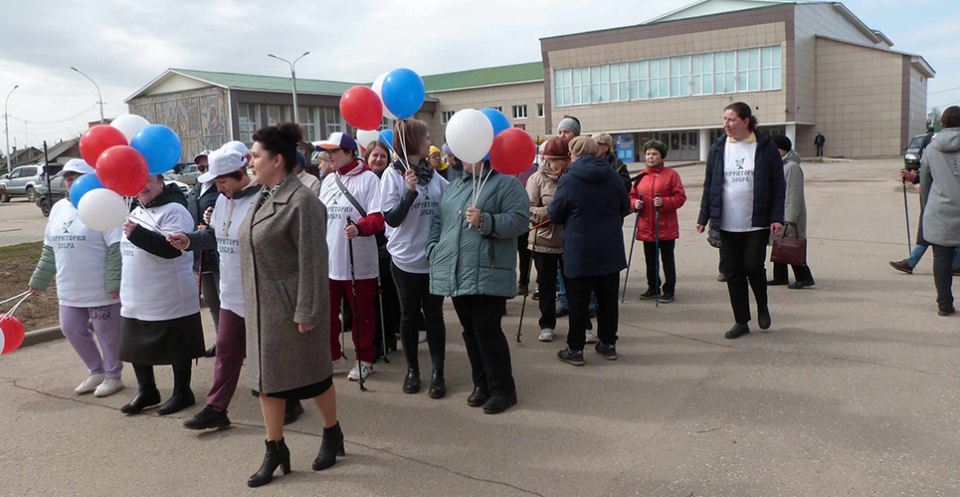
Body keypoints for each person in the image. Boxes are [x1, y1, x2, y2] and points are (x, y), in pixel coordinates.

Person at [171, 146, 306, 431]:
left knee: (271, 354)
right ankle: (216, 409)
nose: (218, 188)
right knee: (227, 352)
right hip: (231, 293)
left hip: (263, 294)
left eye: (222, 181)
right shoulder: (222, 201)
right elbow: (216, 236)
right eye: (215, 182)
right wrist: (190, 240)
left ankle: (291, 401)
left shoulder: (265, 199)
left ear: (240, 173)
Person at [239, 123, 343, 487]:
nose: (250, 161)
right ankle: (275, 448)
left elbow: (313, 261)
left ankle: (332, 431)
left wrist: (308, 311)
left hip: (292, 309)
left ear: (277, 160)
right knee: (267, 383)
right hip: (262, 308)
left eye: (256, 155)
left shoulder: (303, 202)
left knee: (314, 378)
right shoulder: (262, 196)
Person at [426, 159, 528, 414]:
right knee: (470, 331)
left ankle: (503, 390)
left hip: (488, 269)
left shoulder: (507, 183)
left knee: (487, 330)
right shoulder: (454, 186)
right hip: (456, 269)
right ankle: (481, 384)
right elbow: (439, 220)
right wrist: (433, 248)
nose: (464, 159)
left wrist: (486, 220)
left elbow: (519, 221)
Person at [27, 159, 124, 397]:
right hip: (69, 287)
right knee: (70, 328)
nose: (70, 182)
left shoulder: (105, 205)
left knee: (108, 335)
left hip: (101, 289)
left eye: (76, 177)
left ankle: (113, 376)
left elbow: (115, 248)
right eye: (68, 178)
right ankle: (97, 370)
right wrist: (39, 280)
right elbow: (50, 248)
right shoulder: (59, 208)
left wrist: (114, 282)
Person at [696, 102, 786, 340]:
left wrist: (777, 217)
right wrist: (704, 216)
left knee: (753, 266)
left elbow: (778, 184)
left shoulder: (765, 146)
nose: (726, 124)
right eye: (725, 119)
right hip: (728, 222)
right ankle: (741, 321)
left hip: (757, 220)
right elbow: (710, 184)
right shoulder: (718, 147)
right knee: (733, 271)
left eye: (732, 119)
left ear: (746, 121)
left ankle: (762, 306)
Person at [118, 174, 205, 415]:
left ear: (160, 182)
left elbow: (172, 249)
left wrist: (137, 234)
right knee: (135, 344)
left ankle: (182, 392)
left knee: (177, 344)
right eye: (138, 179)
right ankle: (147, 390)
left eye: (148, 179)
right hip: (136, 294)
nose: (143, 185)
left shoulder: (175, 210)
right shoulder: (135, 211)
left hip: (168, 293)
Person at [381, 119, 449, 397]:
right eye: (426, 138)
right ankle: (413, 371)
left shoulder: (434, 176)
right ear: (412, 142)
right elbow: (392, 219)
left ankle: (438, 373)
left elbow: (449, 203)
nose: (430, 142)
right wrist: (409, 193)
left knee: (434, 316)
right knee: (409, 316)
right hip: (405, 260)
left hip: (433, 260)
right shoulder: (392, 175)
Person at [549, 136, 630, 366]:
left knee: (578, 301)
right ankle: (608, 343)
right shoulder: (613, 176)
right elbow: (625, 207)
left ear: (573, 155)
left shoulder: (569, 179)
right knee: (608, 300)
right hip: (610, 247)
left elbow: (556, 214)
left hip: (580, 250)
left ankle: (575, 349)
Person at [318, 132, 384, 382]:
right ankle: (334, 355)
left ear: (349, 152)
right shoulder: (328, 180)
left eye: (333, 151)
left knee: (361, 315)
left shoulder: (369, 179)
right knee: (326, 314)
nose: (329, 156)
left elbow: (379, 218)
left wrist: (359, 228)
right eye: (327, 152)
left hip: (360, 262)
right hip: (330, 261)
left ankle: (364, 359)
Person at [629, 140, 686, 303]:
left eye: (654, 154)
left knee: (667, 260)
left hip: (665, 227)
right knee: (650, 260)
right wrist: (634, 204)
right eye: (648, 154)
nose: (650, 157)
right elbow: (632, 196)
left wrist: (664, 202)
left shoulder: (671, 175)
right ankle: (653, 287)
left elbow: (680, 197)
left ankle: (669, 290)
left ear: (661, 156)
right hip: (646, 226)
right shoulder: (641, 176)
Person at [527, 137, 569, 342]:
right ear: (550, 159)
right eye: (561, 160)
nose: (566, 163)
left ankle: (583, 326)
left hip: (569, 240)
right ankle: (547, 324)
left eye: (567, 159)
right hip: (544, 241)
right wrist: (552, 211)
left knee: (575, 286)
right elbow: (528, 210)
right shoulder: (536, 179)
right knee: (546, 286)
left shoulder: (572, 177)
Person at [919, 106, 960, 316]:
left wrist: (926, 207)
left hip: (939, 211)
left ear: (942, 123)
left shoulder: (931, 149)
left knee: (941, 259)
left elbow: (925, 182)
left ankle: (944, 304)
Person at [364, 140, 400, 358]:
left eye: (383, 156)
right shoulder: (362, 180)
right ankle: (376, 340)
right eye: (375, 155)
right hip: (365, 242)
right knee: (370, 298)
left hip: (387, 246)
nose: (378, 159)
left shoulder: (391, 179)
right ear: (367, 157)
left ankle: (388, 337)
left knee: (387, 295)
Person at [767, 135, 815, 289]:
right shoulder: (779, 165)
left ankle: (804, 277)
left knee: (791, 244)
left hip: (789, 213)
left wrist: (790, 218)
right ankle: (780, 276)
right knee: (779, 243)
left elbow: (794, 194)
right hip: (779, 212)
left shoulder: (792, 167)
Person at [186, 150, 221, 358]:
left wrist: (210, 226)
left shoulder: (222, 189)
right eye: (201, 167)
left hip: (218, 255)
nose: (204, 170)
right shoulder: (194, 191)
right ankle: (221, 341)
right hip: (200, 256)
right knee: (212, 302)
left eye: (208, 166)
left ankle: (234, 343)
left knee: (227, 303)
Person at [515, 147, 540, 297]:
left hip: (529, 217)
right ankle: (520, 282)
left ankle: (525, 281)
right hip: (513, 216)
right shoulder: (507, 170)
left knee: (527, 253)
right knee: (518, 252)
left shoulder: (533, 170)